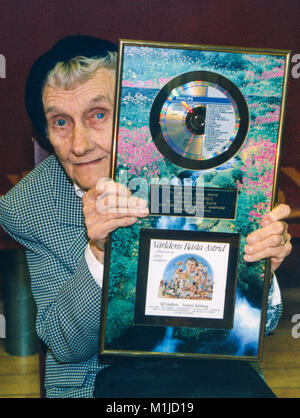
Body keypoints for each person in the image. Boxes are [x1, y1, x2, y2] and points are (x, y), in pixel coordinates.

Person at [0, 35, 292, 398]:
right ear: (45, 132)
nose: (79, 144)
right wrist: (99, 253)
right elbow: (65, 345)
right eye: (61, 122)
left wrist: (261, 266)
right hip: (98, 377)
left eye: (98, 115)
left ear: (129, 114)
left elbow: (254, 327)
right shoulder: (28, 206)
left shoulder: (194, 168)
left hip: (208, 369)